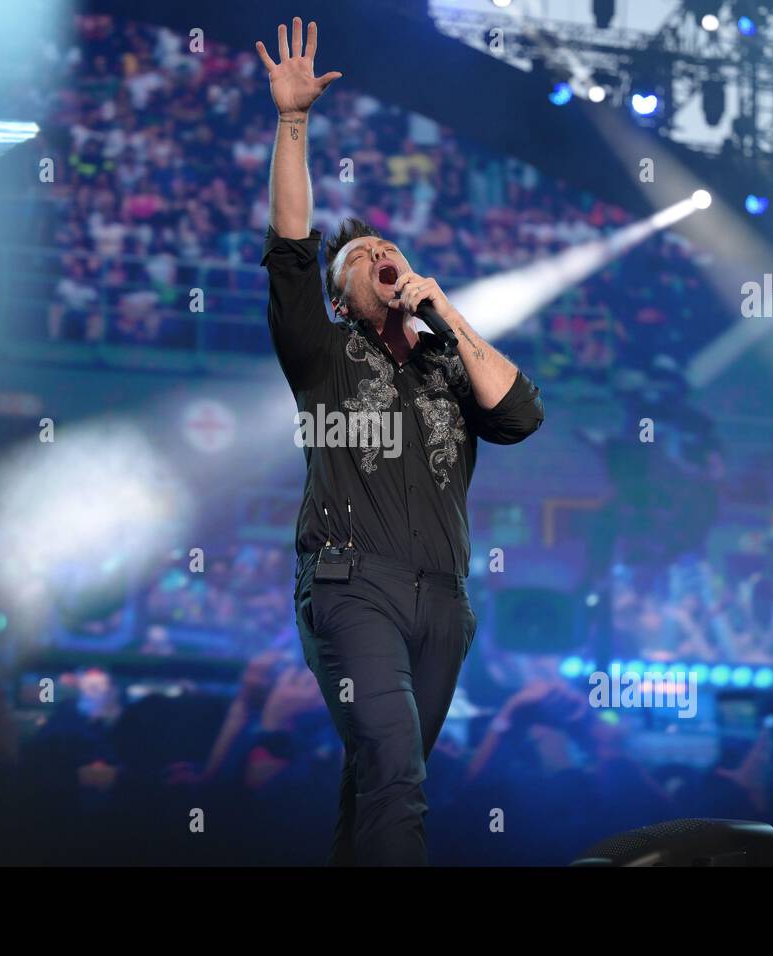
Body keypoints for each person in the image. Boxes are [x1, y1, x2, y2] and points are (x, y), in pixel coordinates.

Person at [254, 17, 545, 865]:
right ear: (342, 299)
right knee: (396, 772)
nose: (380, 250)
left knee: (383, 774)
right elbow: (289, 245)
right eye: (363, 257)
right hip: (353, 584)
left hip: (444, 603)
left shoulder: (449, 361)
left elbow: (521, 414)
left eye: (389, 247)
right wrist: (294, 122)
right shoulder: (323, 351)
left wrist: (445, 312)